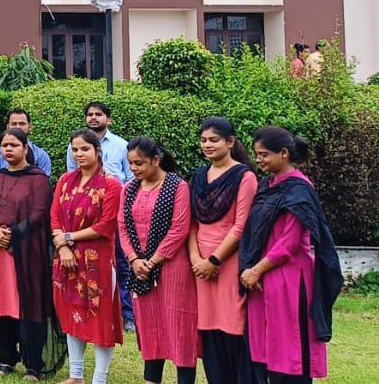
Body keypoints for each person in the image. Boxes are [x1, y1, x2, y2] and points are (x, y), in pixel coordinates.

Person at [241, 127, 342, 384]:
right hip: (261, 280)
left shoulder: (299, 189)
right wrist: (248, 268)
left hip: (289, 278)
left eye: (264, 154)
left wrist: (256, 270)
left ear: (284, 153)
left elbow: (290, 241)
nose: (259, 160)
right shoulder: (268, 185)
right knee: (266, 347)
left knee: (291, 348)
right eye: (257, 154)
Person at [0, 128, 62, 380]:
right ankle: (6, 358)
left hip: (26, 252)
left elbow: (39, 214)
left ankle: (34, 365)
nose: (8, 149)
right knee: (0, 304)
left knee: (27, 306)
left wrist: (11, 234)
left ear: (26, 148)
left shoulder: (37, 179)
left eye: (14, 145)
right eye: (4, 145)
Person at [119, 137, 198, 384]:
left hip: (173, 268)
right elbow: (122, 225)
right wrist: (133, 259)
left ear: (156, 160)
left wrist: (152, 261)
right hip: (140, 269)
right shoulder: (129, 188)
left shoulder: (178, 186)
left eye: (139, 163)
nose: (133, 168)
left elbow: (179, 229)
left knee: (180, 327)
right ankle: (151, 380)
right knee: (150, 327)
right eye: (130, 163)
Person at [187, 117, 258, 384]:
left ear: (230, 142)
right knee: (208, 325)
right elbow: (191, 224)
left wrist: (214, 260)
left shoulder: (245, 177)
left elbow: (241, 226)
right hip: (201, 265)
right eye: (204, 140)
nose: (207, 145)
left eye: (214, 140)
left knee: (232, 324)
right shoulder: (199, 175)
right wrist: (196, 259)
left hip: (229, 262)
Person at [52, 130, 125, 384]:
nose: (79, 154)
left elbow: (106, 225)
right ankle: (76, 375)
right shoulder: (65, 180)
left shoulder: (111, 184)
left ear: (97, 151)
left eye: (85, 149)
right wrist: (62, 247)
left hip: (97, 262)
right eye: (75, 149)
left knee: (101, 317)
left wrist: (69, 238)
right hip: (67, 258)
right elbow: (55, 217)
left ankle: (100, 378)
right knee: (72, 312)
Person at [65, 101, 134, 330]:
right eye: (90, 114)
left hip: (116, 210)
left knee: (121, 264)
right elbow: (72, 177)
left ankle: (126, 313)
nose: (93, 118)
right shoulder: (74, 145)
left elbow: (130, 177)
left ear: (108, 119)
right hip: (83, 214)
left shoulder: (121, 145)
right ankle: (88, 306)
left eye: (99, 114)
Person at [0, 109, 52, 175]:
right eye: (13, 124)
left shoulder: (41, 156)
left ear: (30, 127)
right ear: (7, 127)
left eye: (22, 124)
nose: (18, 127)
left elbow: (43, 182)